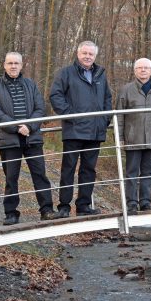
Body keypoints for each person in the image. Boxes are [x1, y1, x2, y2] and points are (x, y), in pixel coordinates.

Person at [0, 52, 59, 225]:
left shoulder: (30, 84)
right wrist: (17, 127)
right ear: (4, 65)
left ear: (21, 65)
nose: (13, 66)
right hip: (9, 139)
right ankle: (11, 213)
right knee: (11, 178)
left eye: (16, 63)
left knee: (40, 175)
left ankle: (47, 210)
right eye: (10, 63)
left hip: (32, 138)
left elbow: (40, 109)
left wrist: (30, 127)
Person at [49, 41, 112, 217]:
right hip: (74, 130)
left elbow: (108, 98)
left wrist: (104, 119)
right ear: (78, 54)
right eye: (84, 53)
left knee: (89, 170)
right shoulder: (66, 73)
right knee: (68, 169)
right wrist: (70, 115)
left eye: (91, 54)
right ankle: (64, 207)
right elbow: (55, 95)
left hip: (95, 131)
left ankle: (83, 206)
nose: (87, 56)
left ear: (95, 56)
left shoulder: (100, 75)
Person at [117, 58, 151, 214]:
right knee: (131, 172)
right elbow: (119, 116)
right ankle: (131, 203)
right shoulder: (126, 90)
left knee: (148, 171)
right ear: (134, 71)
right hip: (132, 137)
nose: (143, 70)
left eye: (146, 68)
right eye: (139, 68)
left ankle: (145, 202)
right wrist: (119, 137)